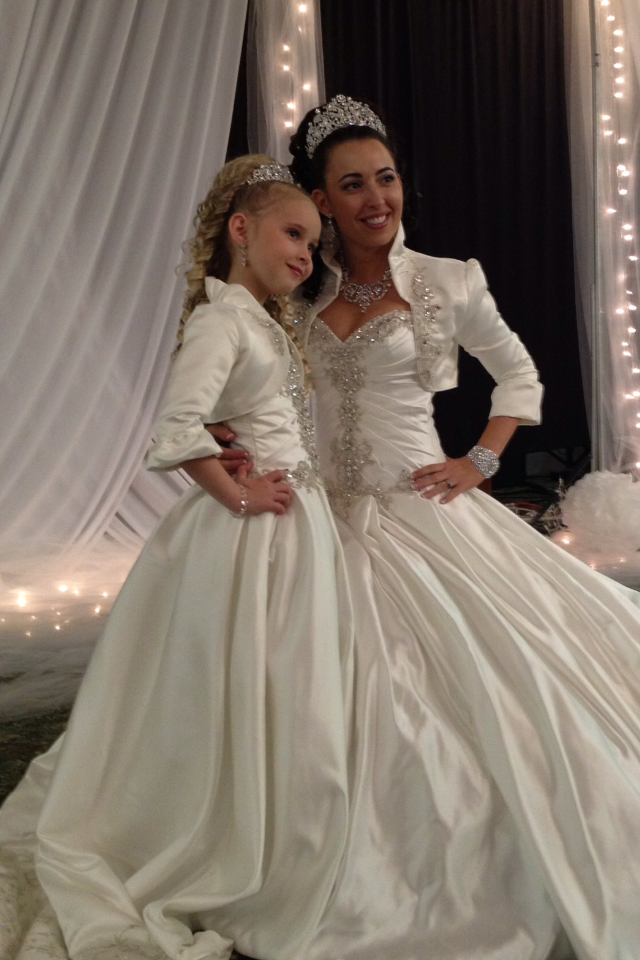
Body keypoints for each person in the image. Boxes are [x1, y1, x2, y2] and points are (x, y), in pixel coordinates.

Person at [277, 96, 640, 960]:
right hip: (321, 519)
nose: (376, 198)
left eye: (386, 178)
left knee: (484, 685)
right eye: (352, 184)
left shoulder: (447, 280)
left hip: (421, 510)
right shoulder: (297, 289)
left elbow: (519, 377)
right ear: (320, 200)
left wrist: (478, 460)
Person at [0, 155, 354, 960]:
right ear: (241, 229)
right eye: (293, 234)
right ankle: (233, 814)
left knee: (285, 674)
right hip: (256, 534)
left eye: (312, 242)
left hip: (295, 523)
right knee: (248, 671)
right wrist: (235, 493)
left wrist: (233, 440)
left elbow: (227, 416)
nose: (306, 254)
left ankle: (283, 797)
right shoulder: (222, 321)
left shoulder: (258, 320)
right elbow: (174, 426)